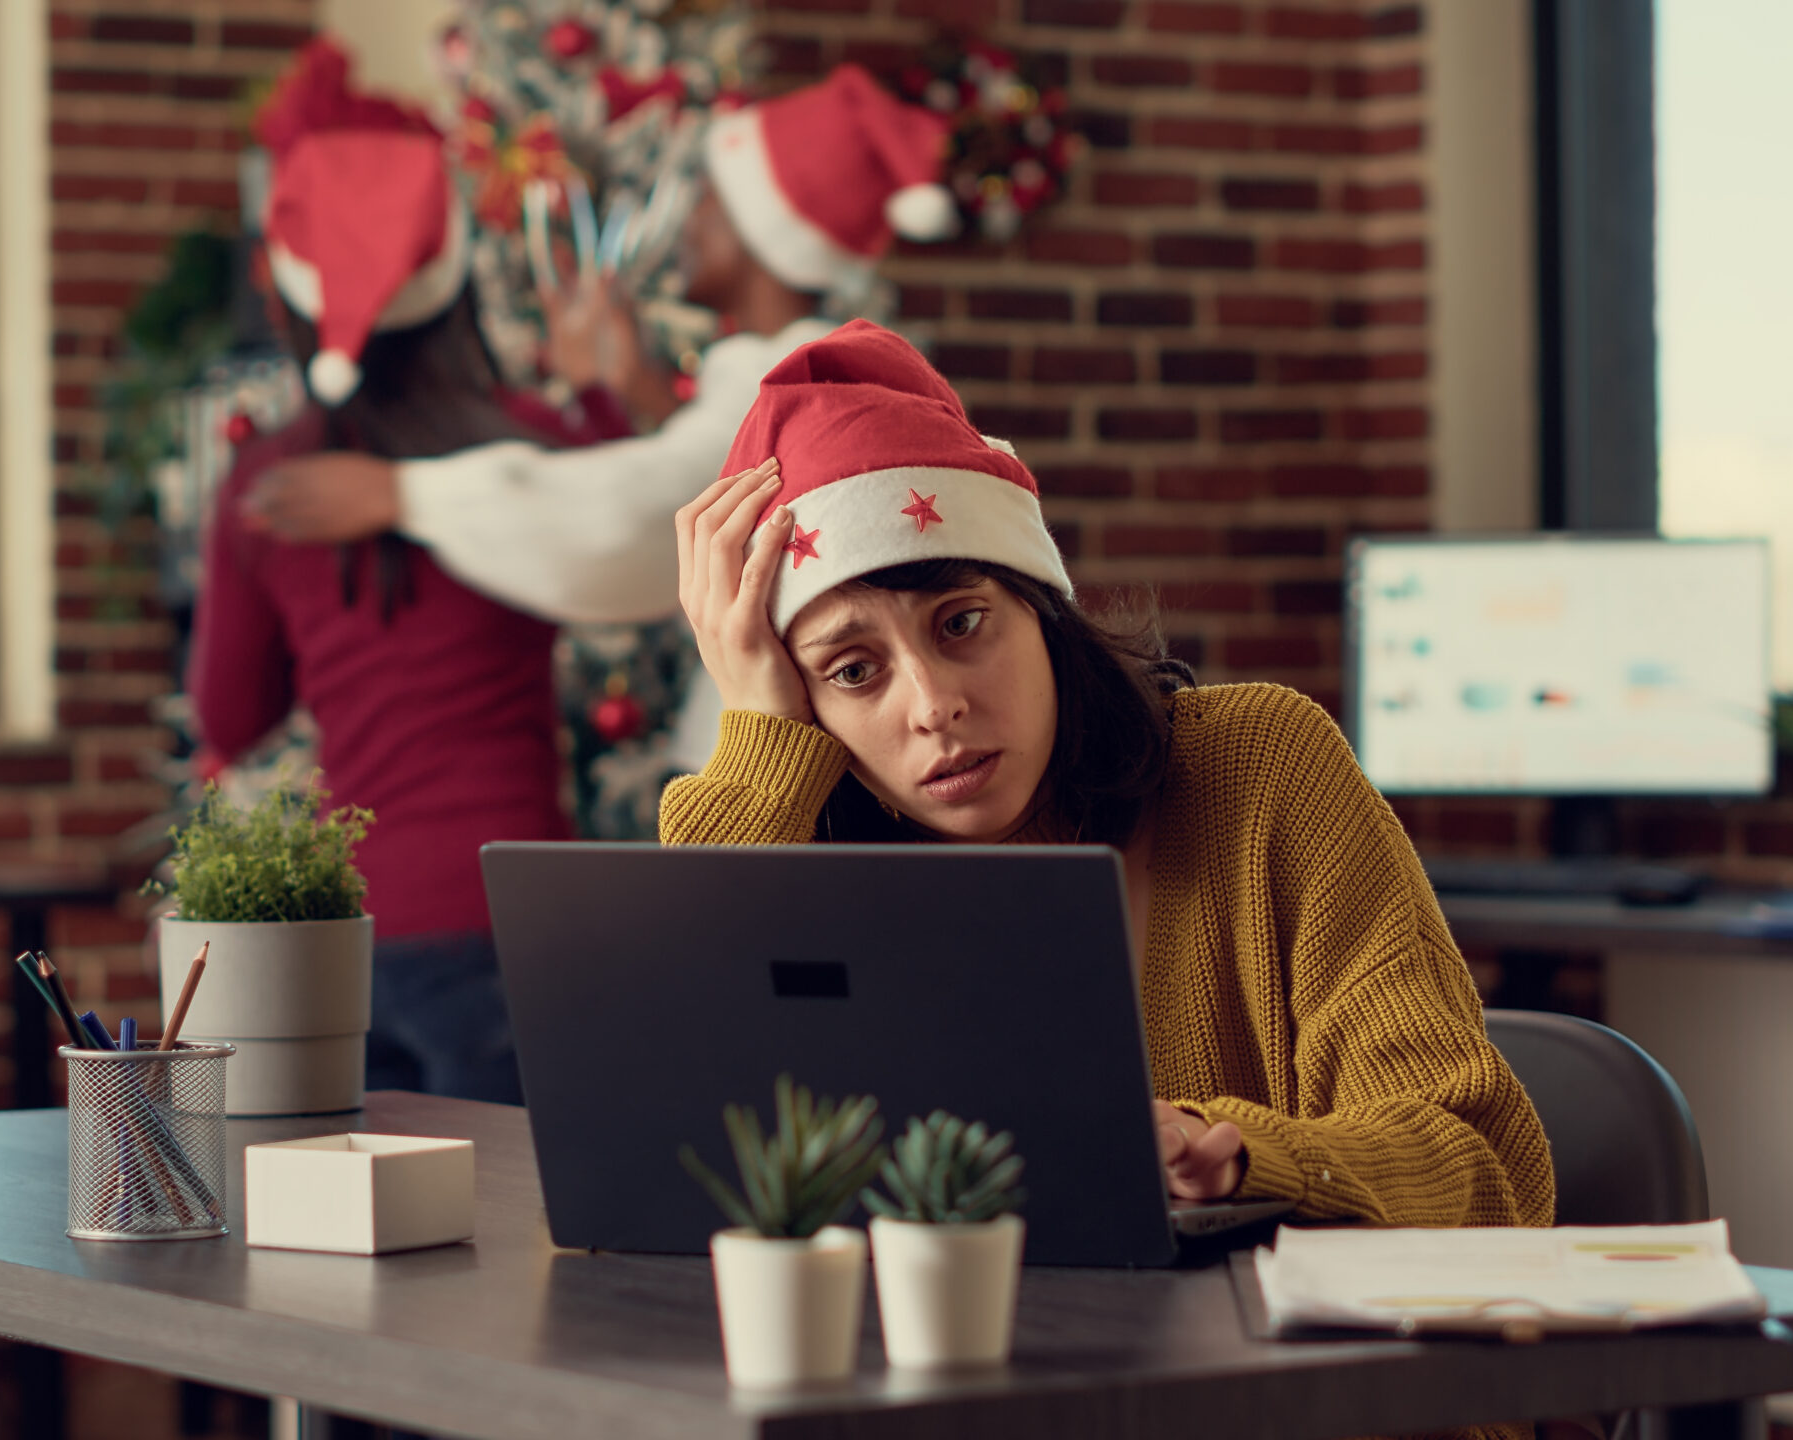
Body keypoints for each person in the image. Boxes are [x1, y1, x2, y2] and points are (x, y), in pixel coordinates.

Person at [664, 323, 1554, 1252]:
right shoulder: (802, 855)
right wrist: (756, 742)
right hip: (968, 1379)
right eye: (852, 672)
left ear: (1044, 610)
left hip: (1299, 1388)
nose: (934, 706)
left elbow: (1481, 1164)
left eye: (963, 622)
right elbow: (673, 1138)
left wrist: (1241, 1154)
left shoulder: (1260, 767)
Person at [191, 46, 609, 1103]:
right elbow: (620, 532)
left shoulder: (268, 479)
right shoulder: (531, 446)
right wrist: (598, 396)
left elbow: (230, 715)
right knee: (518, 1248)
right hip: (521, 924)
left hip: (352, 941)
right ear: (450, 269)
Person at [238, 64, 958, 633]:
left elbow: (636, 514)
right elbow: (715, 453)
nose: (686, 223)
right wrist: (626, 382)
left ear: (756, 230)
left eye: (706, 198)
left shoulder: (800, 379)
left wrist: (403, 493)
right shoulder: (778, 371)